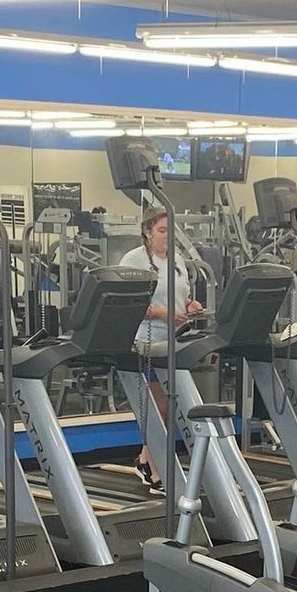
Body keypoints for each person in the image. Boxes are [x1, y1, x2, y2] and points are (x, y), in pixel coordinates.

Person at [118, 207, 201, 489]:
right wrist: (163, 313)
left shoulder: (177, 260)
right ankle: (156, 472)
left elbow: (184, 297)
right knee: (160, 408)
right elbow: (128, 303)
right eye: (162, 230)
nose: (168, 236)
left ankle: (144, 459)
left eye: (171, 230)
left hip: (174, 342)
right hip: (146, 341)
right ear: (147, 232)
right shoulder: (134, 259)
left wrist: (191, 306)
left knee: (168, 407)